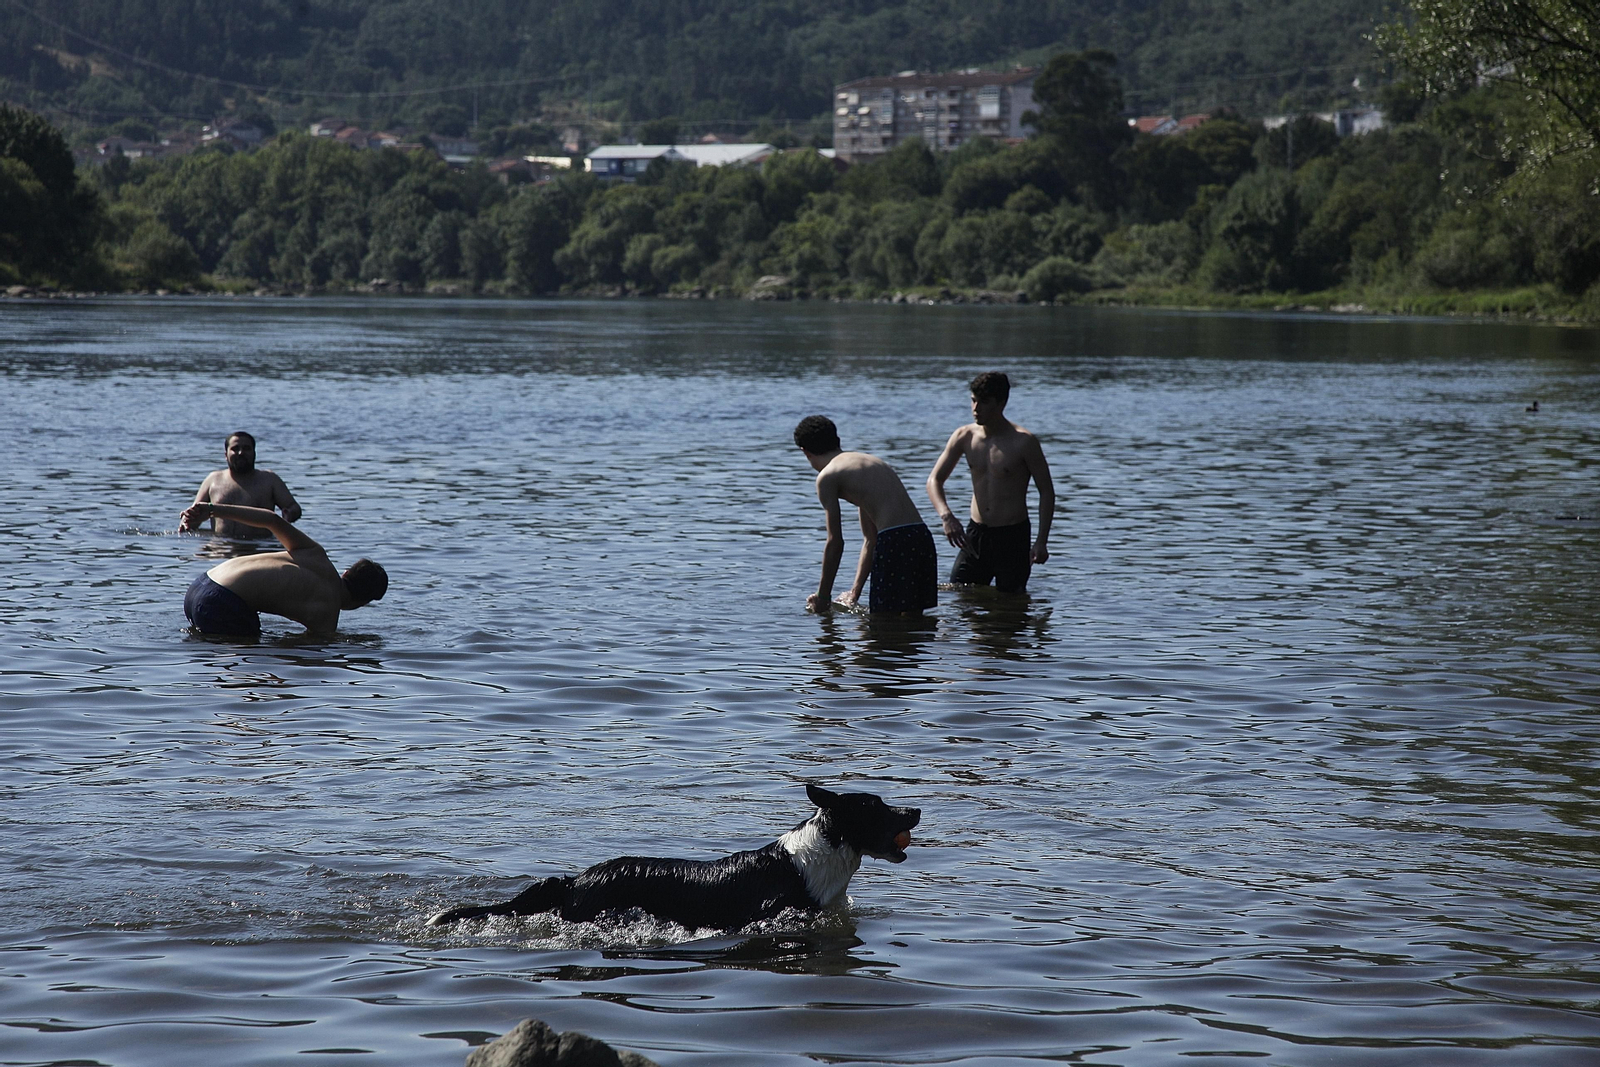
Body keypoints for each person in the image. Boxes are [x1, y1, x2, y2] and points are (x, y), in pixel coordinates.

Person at [926, 372, 1055, 593]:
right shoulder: (964, 436)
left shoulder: (1024, 442)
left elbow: (1047, 492)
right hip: (975, 535)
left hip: (1012, 537)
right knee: (959, 596)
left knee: (1012, 609)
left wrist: (1041, 541)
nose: (976, 408)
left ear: (1002, 403)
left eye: (984, 402)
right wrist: (946, 517)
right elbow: (934, 480)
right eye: (973, 400)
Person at [794, 415, 937, 615]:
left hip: (894, 542)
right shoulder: (868, 461)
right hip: (920, 537)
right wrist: (855, 593)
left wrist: (823, 597)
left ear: (805, 452)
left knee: (882, 630)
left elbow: (835, 542)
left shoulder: (827, 476)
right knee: (914, 623)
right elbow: (871, 539)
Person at [178, 501, 386, 637]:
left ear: (346, 572)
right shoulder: (327, 616)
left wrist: (212, 509)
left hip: (200, 584)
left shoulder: (316, 554)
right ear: (364, 603)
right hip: (219, 603)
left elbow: (271, 519)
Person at [192, 431, 302, 539]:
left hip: (260, 548)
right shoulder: (213, 480)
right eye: (235, 449)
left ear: (254, 453)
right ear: (226, 454)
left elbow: (293, 506)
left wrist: (290, 513)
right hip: (221, 549)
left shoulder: (269, 480)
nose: (241, 453)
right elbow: (194, 516)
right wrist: (187, 521)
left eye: (246, 448)